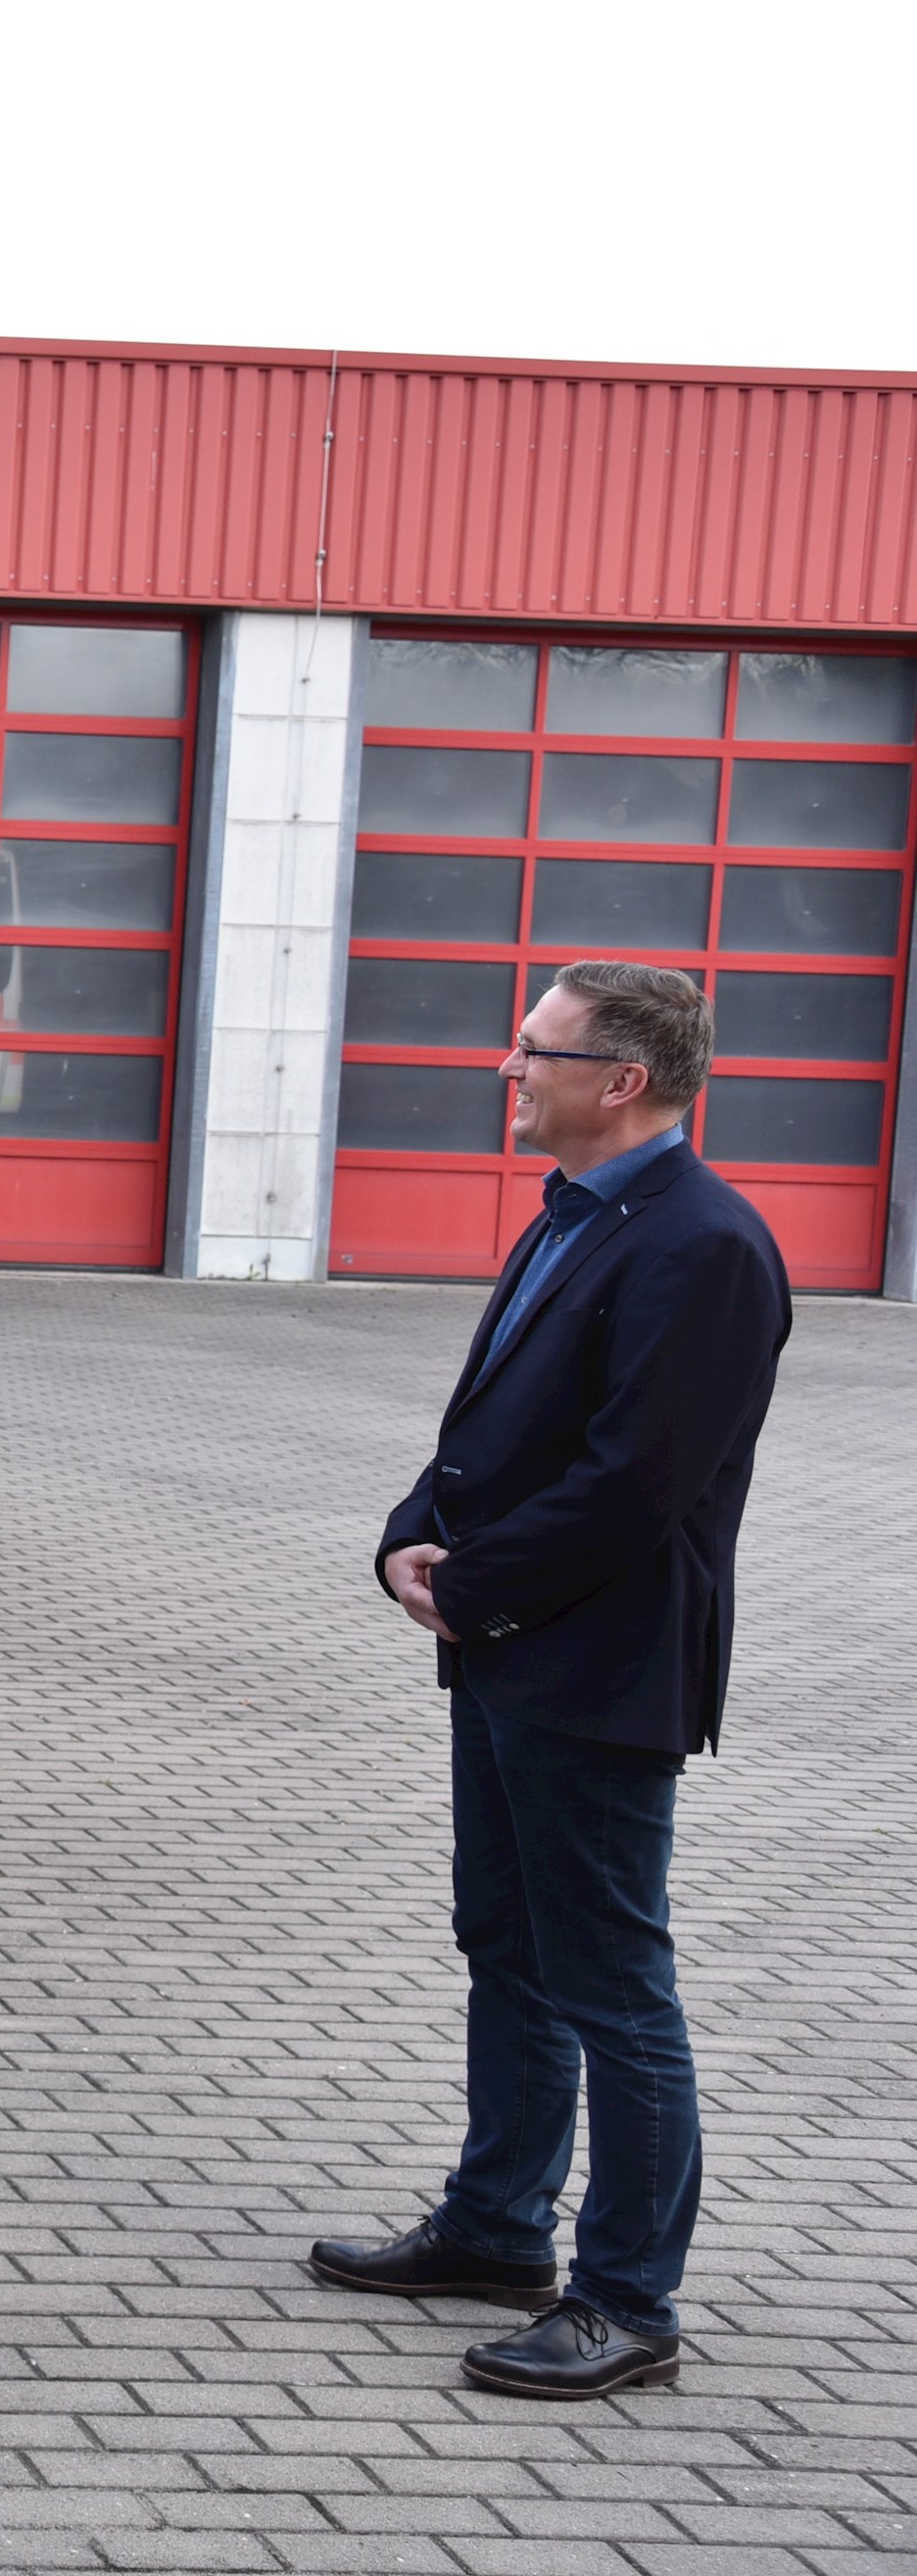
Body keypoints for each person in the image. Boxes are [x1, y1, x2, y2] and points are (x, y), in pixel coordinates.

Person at [315, 961, 791, 2400]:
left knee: (613, 1983)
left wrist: (471, 1586)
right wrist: (409, 1534)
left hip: (598, 1664)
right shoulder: (577, 1212)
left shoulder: (704, 1245)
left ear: (621, 1080)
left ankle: (628, 2299)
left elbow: (635, 1483)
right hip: (512, 1649)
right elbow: (495, 1428)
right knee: (508, 1946)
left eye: (535, 1048)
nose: (508, 1067)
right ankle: (497, 2226)